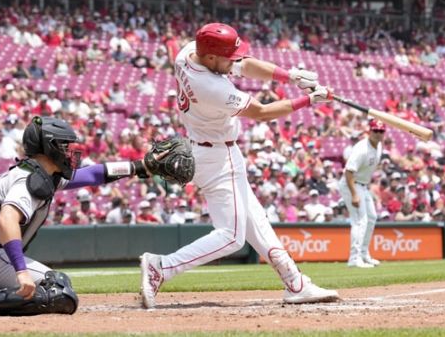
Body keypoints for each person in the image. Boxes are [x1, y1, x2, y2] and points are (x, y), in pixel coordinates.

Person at [139, 22, 338, 309]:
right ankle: (163, 267)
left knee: (256, 221)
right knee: (232, 237)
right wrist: (307, 99)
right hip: (218, 158)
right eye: (226, 57)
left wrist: (290, 75)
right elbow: (262, 112)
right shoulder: (211, 86)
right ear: (209, 57)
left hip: (208, 149)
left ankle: (295, 283)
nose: (233, 60)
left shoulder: (187, 53)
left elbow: (243, 65)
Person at [0, 116, 166, 317]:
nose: (70, 152)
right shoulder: (29, 180)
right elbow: (6, 220)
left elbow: (94, 174)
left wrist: (139, 166)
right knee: (59, 290)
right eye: (64, 146)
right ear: (50, 147)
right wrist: (21, 272)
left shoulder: (39, 173)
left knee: (54, 288)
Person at [340, 119, 385, 268]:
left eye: (381, 131)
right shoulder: (362, 149)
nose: (378, 134)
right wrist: (354, 194)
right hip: (351, 184)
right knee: (360, 221)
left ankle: (364, 254)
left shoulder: (379, 146)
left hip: (363, 185)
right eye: (375, 131)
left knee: (372, 217)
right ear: (369, 131)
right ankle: (354, 258)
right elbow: (348, 172)